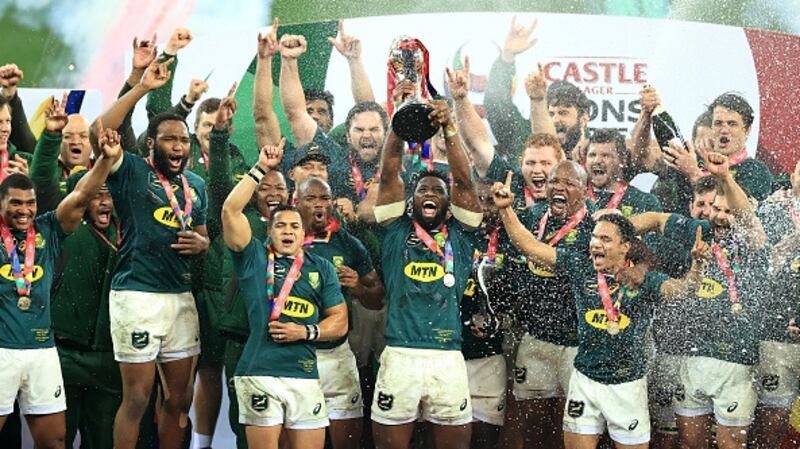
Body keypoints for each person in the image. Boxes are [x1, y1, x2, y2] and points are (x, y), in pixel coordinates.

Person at [492, 171, 708, 449]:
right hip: (585, 381)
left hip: (627, 386)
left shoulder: (644, 280)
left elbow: (683, 291)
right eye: (594, 238)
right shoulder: (580, 267)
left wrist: (697, 266)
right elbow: (530, 246)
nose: (595, 243)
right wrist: (506, 210)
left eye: (605, 239)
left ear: (625, 247)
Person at [91, 56, 211, 449]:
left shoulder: (196, 184)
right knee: (138, 398)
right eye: (169, 139)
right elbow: (101, 130)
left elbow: (202, 235)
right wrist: (141, 87)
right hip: (137, 296)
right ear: (150, 144)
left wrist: (203, 243)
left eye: (183, 140)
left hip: (180, 297)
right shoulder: (132, 171)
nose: (178, 146)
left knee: (180, 400)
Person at [630, 149, 769, 449]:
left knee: (730, 445)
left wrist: (724, 177)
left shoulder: (752, 239)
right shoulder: (702, 231)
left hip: (736, 363)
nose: (719, 216)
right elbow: (656, 219)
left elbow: (747, 219)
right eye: (716, 209)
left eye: (727, 211)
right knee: (691, 446)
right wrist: (614, 230)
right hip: (691, 358)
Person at [0, 120, 122, 448]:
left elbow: (81, 194)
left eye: (30, 203)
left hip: (42, 351)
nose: (24, 210)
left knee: (55, 441)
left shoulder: (48, 230)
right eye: (15, 203)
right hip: (1, 352)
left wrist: (106, 162)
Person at [221, 141, 348, 449]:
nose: (288, 231)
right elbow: (229, 210)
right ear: (270, 232)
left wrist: (304, 331)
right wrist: (261, 168)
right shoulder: (253, 258)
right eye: (281, 226)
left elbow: (340, 321)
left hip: (304, 374)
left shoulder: (322, 268)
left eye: (294, 226)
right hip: (260, 372)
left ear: (304, 234)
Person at [371, 98, 482, 449]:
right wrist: (399, 121)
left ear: (449, 205)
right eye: (423, 189)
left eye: (438, 191)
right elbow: (389, 171)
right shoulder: (394, 230)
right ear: (411, 200)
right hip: (400, 355)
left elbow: (464, 179)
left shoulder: (461, 237)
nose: (430, 193)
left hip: (447, 356)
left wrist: (450, 127)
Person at [296, 176, 385, 449]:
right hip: (294, 355)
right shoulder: (283, 240)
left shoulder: (349, 244)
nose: (319, 204)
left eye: (324, 198)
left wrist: (357, 287)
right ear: (297, 202)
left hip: (337, 355)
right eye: (311, 199)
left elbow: (377, 298)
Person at [750, 161, 800, 449]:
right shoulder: (771, 212)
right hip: (776, 334)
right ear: (791, 177)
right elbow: (757, 265)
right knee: (773, 422)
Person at [586, 128, 662, 216]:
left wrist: (622, 222)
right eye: (592, 155)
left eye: (605, 155)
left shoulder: (645, 202)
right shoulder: (574, 198)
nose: (597, 160)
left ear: (622, 160)